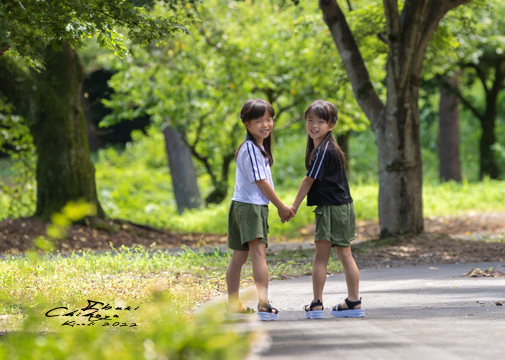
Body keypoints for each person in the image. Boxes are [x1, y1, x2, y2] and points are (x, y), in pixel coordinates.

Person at [291, 100, 364, 319]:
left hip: (332, 208)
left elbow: (308, 180)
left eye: (320, 121)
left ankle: (317, 304)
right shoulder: (322, 147)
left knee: (323, 258)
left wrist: (292, 207)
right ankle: (353, 302)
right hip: (341, 206)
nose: (314, 125)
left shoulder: (324, 149)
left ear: (331, 125)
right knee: (344, 254)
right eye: (310, 120)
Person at [226, 98, 293, 321]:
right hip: (251, 208)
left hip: (241, 205)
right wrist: (281, 206)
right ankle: (264, 305)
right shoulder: (252, 149)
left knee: (238, 258)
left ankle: (233, 305)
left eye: (269, 119)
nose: (266, 124)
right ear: (246, 124)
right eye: (259, 121)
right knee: (258, 254)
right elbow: (262, 182)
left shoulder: (256, 147)